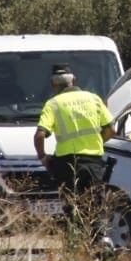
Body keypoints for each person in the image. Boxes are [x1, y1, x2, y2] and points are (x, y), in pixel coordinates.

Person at [34, 65, 113, 216]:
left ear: (53, 84)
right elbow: (111, 129)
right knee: (94, 206)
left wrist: (43, 157)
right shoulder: (93, 98)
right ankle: (99, 237)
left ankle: (75, 237)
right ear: (74, 80)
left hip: (66, 166)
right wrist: (96, 142)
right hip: (93, 162)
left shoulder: (53, 104)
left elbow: (39, 135)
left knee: (71, 208)